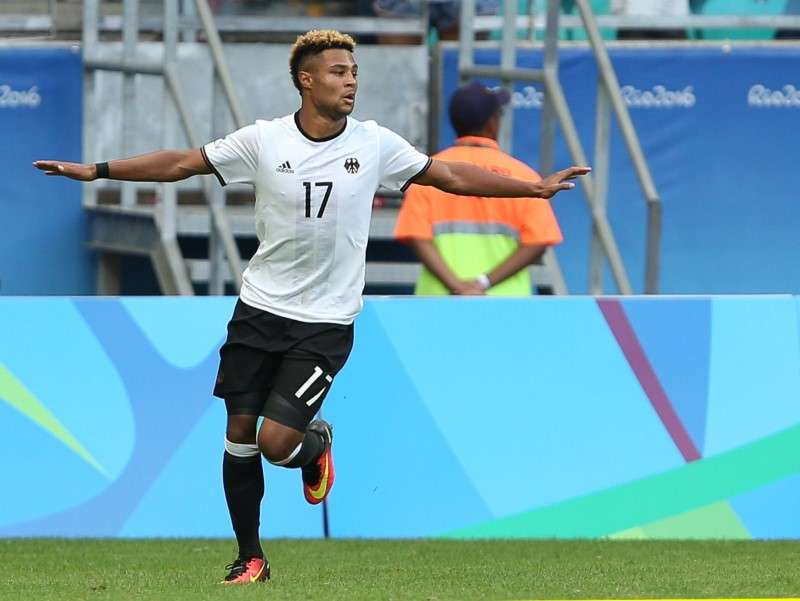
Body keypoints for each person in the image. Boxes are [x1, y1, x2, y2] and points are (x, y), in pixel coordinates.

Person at [33, 30, 589, 585]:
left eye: (353, 72)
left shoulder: (374, 144)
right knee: (238, 436)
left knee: (277, 444)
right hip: (258, 310)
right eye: (338, 72)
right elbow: (183, 163)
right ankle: (251, 556)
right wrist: (97, 171)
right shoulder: (263, 141)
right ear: (306, 80)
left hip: (324, 322)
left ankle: (315, 443)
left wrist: (532, 189)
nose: (351, 81)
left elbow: (446, 175)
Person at [395, 82, 563, 296]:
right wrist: (482, 283)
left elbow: (416, 236)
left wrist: (456, 286)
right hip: (506, 302)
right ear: (492, 124)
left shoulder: (428, 172)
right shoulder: (524, 176)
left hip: (438, 300)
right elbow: (539, 240)